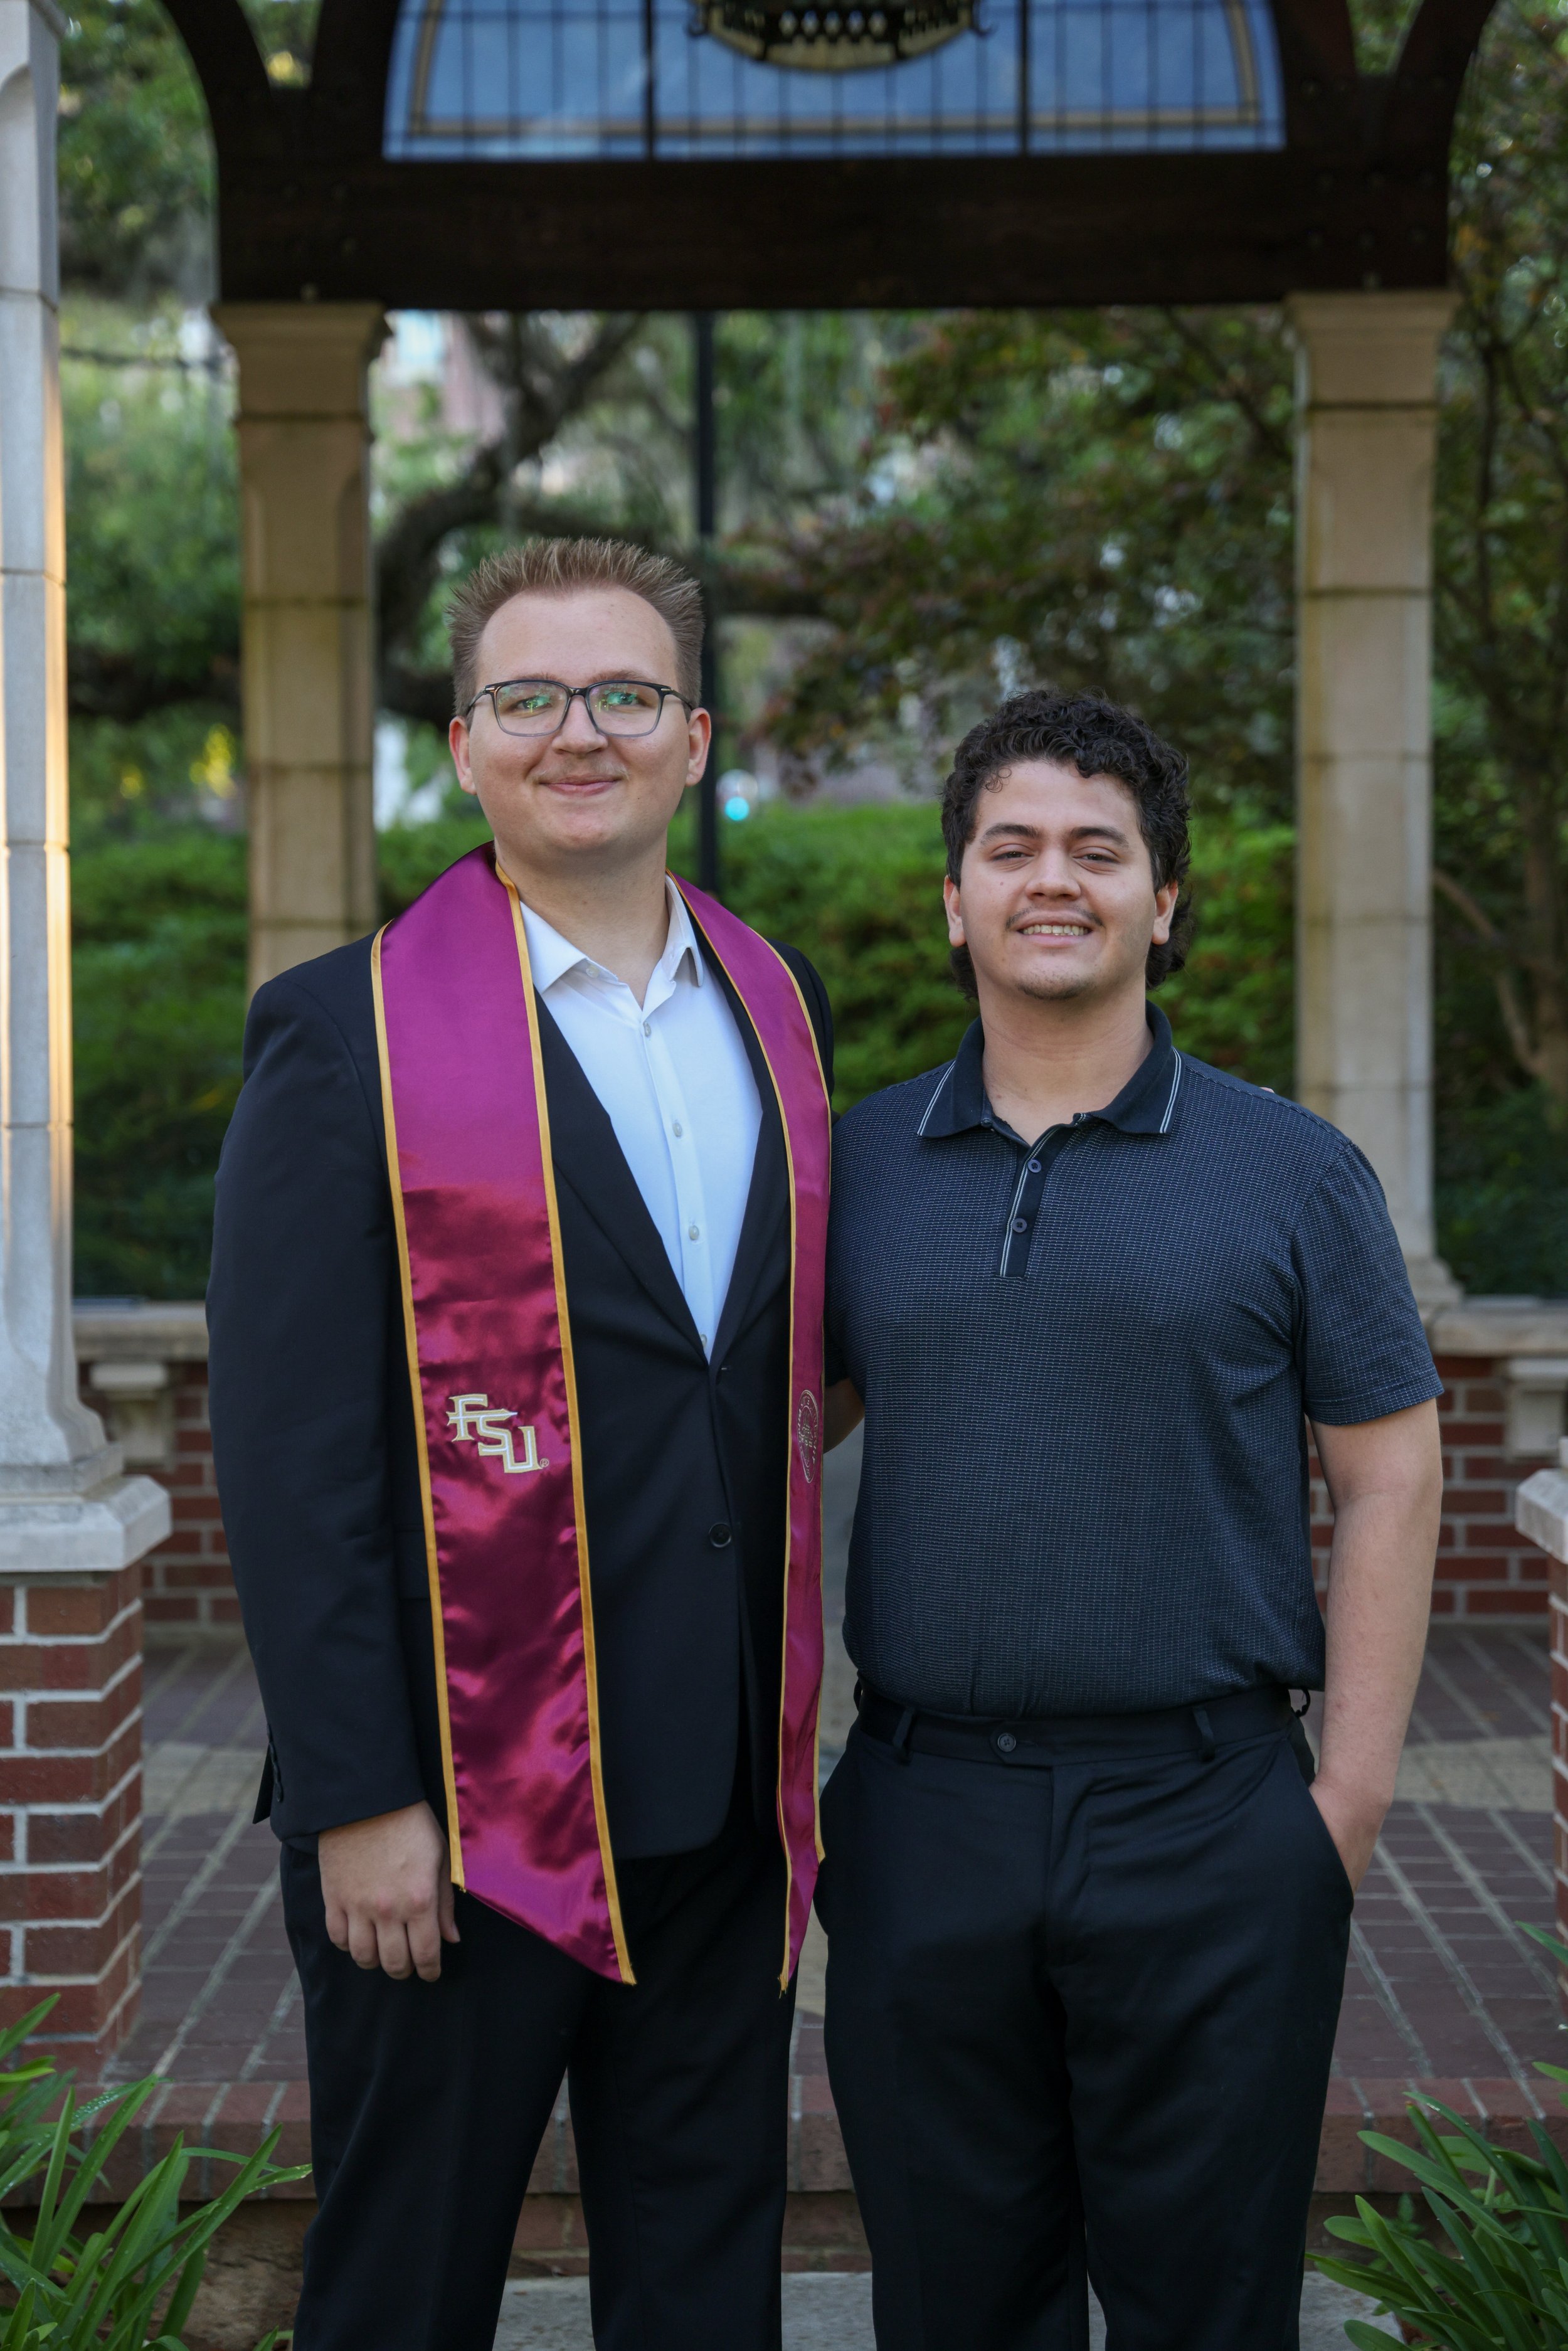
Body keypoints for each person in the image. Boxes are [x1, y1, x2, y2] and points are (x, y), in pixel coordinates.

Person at [208, 538, 833, 2351]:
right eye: (531, 697)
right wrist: (357, 1793)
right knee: (407, 2289)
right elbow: (292, 1450)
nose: (583, 732)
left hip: (717, 1801)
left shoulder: (770, 1008)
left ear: (693, 737)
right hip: (455, 1810)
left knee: (704, 2281)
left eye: (626, 694)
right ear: (466, 746)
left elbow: (771, 1374)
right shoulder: (346, 1039)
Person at [817, 688, 1444, 2351]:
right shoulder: (851, 1168)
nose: (1052, 879)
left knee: (1209, 2309)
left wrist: (1344, 1804)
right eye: (1009, 845)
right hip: (922, 1811)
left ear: (1161, 900)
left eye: (1098, 849)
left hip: (1211, 1815)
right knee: (953, 2309)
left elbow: (1390, 1471)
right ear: (951, 895)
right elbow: (751, 1455)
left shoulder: (1291, 1170)